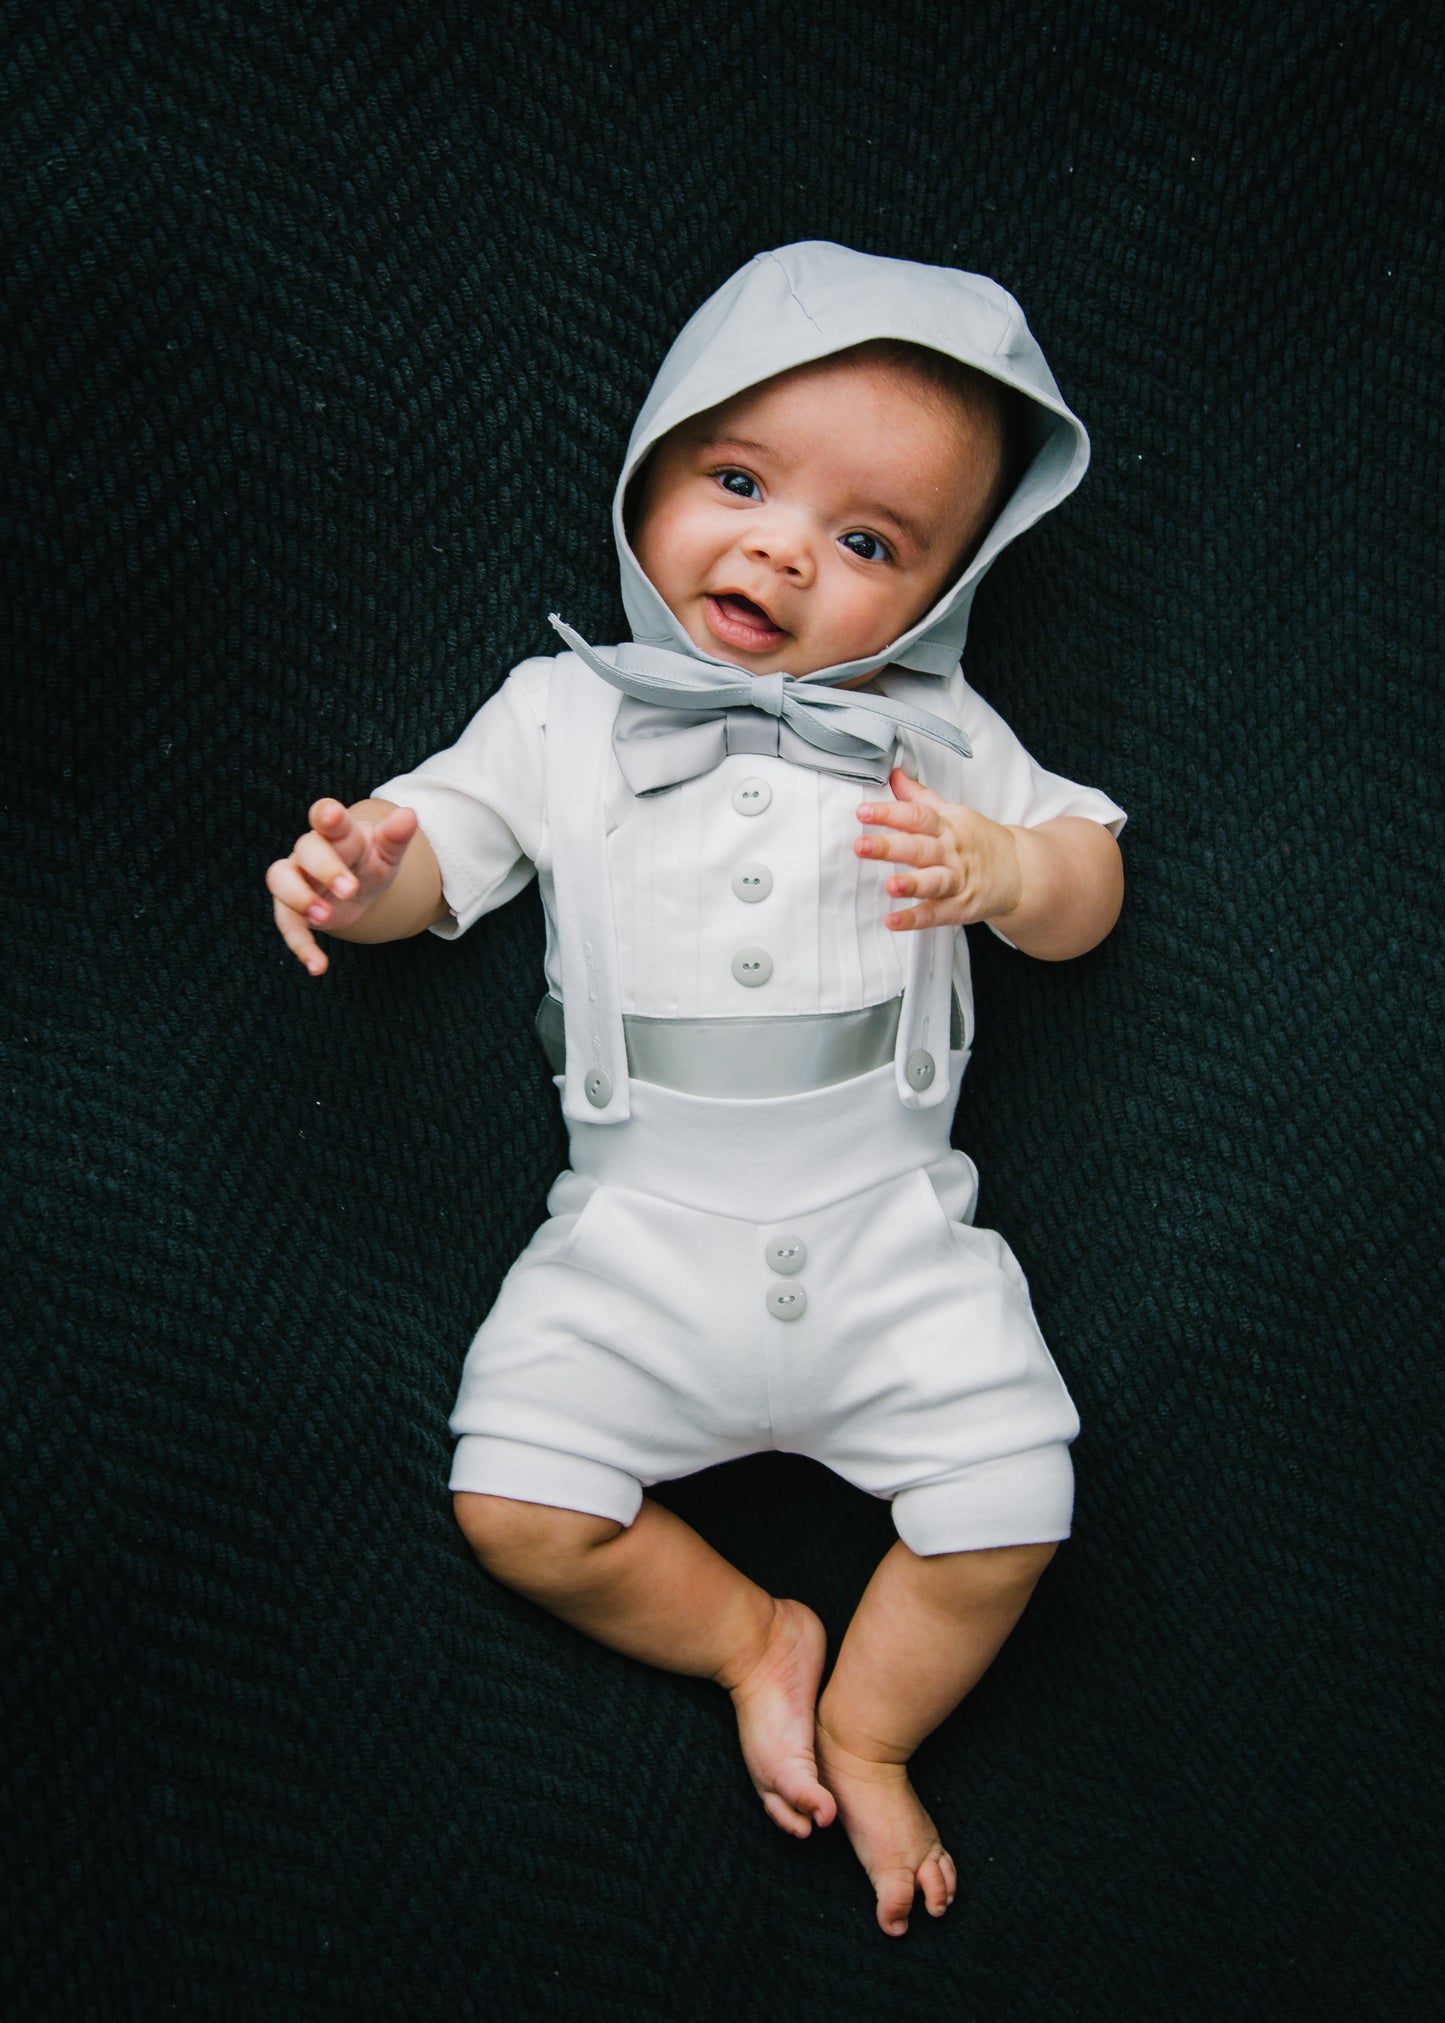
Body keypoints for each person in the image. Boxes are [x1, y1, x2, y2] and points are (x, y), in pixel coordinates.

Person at [265, 244, 1125, 1937]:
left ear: (941, 593)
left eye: (869, 543)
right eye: (737, 481)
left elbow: (1090, 886)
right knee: (513, 1500)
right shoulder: (559, 711)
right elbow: (448, 853)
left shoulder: (936, 732)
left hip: (890, 1235)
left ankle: (869, 1733)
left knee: (1018, 1501)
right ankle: (752, 1633)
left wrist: (1005, 871)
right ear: (653, 469)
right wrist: (366, 872)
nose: (782, 549)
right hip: (636, 1238)